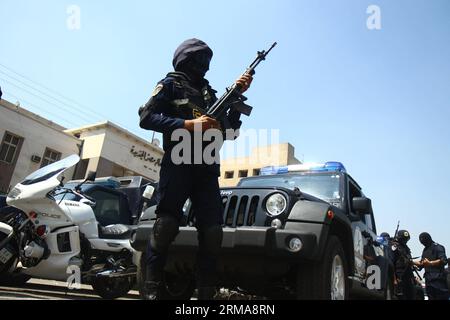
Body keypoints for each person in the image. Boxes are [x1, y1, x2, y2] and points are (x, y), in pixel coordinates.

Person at [138, 38, 253, 300]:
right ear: (185, 59)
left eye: (207, 61)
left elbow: (231, 133)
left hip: (207, 166)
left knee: (212, 232)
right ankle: (152, 288)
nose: (205, 66)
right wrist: (188, 125)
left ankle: (206, 293)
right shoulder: (170, 85)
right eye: (200, 60)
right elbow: (146, 118)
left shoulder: (211, 95)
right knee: (165, 224)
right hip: (178, 162)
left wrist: (236, 100)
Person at [414, 232, 449, 300]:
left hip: (438, 280)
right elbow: (422, 263)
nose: (422, 243)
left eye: (423, 240)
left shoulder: (438, 247)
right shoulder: (425, 249)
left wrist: (430, 263)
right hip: (429, 280)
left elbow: (443, 260)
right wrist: (411, 262)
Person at [392, 230, 416, 300]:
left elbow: (409, 262)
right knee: (401, 296)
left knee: (411, 295)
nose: (405, 241)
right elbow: (392, 263)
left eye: (406, 239)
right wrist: (394, 279)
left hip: (408, 274)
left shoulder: (406, 248)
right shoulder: (394, 246)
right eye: (403, 239)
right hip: (399, 275)